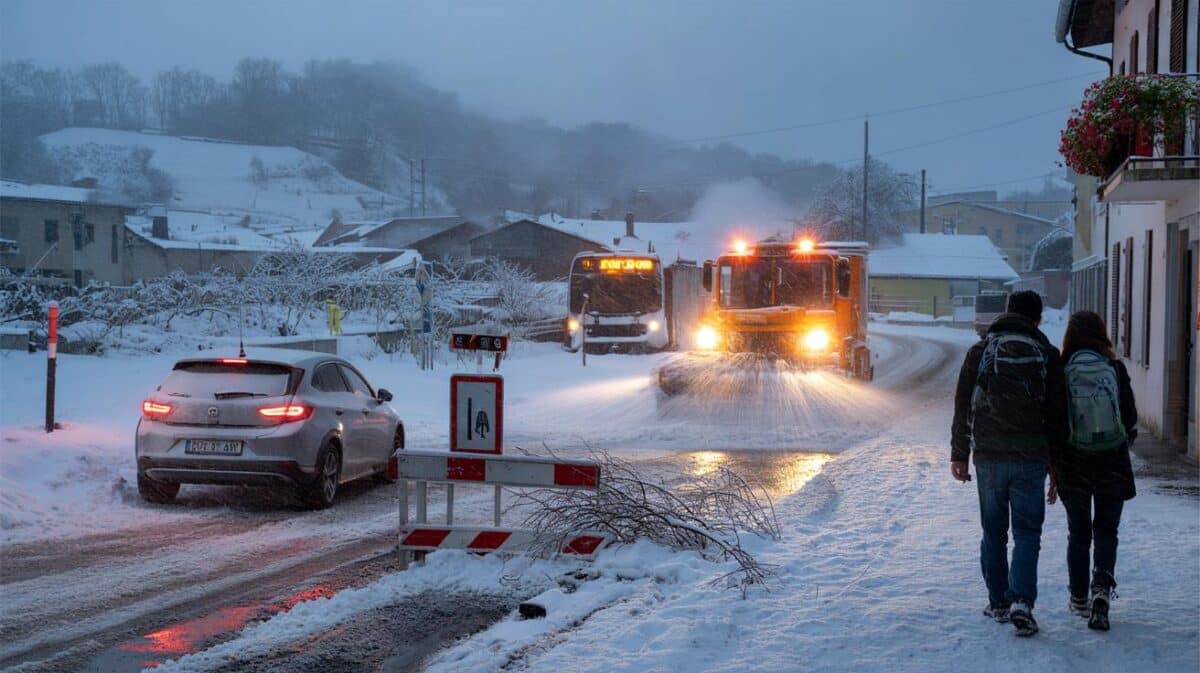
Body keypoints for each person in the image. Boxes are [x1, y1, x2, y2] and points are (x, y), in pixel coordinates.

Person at [951, 290, 1067, 637]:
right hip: (1032, 457)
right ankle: (1022, 603)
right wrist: (1056, 465)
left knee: (993, 531)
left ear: (1006, 313)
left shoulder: (981, 350)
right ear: (1038, 319)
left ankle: (998, 602)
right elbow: (1058, 416)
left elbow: (962, 405)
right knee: (1028, 532)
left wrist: (959, 454)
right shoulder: (1047, 354)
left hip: (988, 456)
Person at [1051, 310, 1137, 632]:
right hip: (1111, 460)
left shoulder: (1061, 369)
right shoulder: (1114, 368)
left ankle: (1078, 597)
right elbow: (1129, 417)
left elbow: (1057, 421)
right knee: (1106, 531)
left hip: (1074, 461)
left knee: (1079, 531)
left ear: (1069, 336)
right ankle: (1101, 588)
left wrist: (1057, 460)